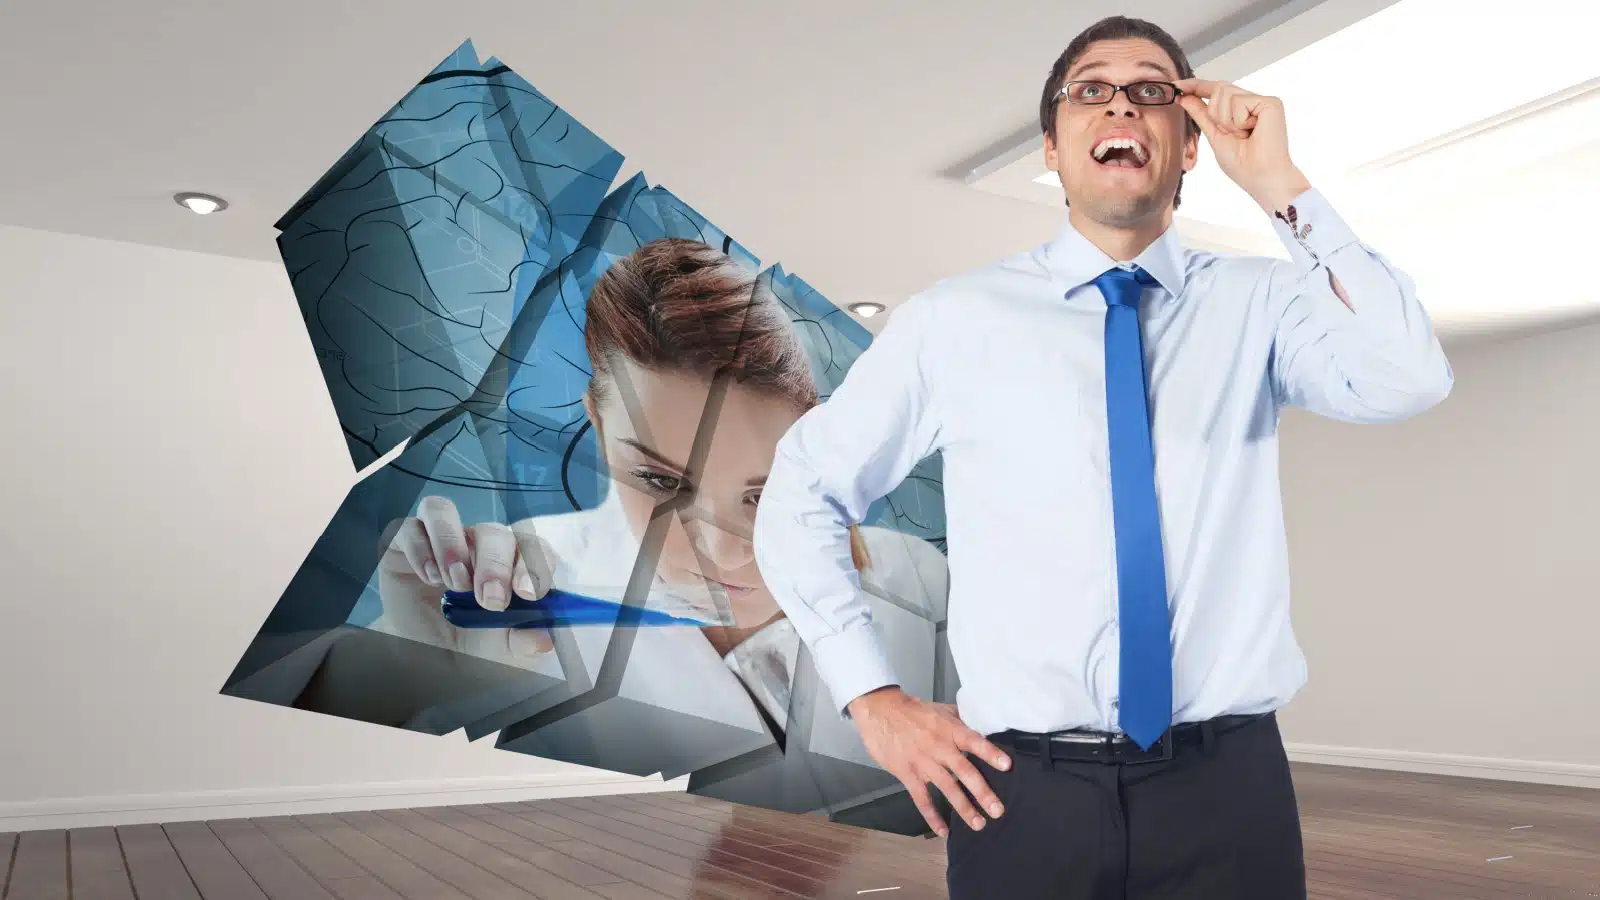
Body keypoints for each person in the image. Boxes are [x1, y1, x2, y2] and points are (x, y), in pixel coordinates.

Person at [751, 15, 1453, 900]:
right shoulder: (955, 321)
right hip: (1018, 794)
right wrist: (872, 701)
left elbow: (1407, 378)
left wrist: (1279, 183)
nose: (1120, 103)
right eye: (1091, 89)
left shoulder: (1263, 304)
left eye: (1153, 90)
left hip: (1227, 788)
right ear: (1053, 144)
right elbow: (800, 493)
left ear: (1189, 142)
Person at [367, 237, 952, 808]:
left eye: (766, 490)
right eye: (663, 483)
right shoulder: (525, 596)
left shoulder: (918, 581)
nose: (724, 555)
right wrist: (416, 677)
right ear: (597, 425)